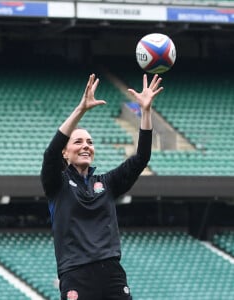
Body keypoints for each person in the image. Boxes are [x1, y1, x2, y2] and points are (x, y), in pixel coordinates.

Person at [40, 73, 163, 300]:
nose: (86, 146)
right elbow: (50, 153)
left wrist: (146, 111)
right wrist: (80, 110)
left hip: (112, 274)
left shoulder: (106, 183)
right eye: (78, 142)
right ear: (65, 153)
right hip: (76, 275)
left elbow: (141, 158)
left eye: (90, 142)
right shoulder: (56, 184)